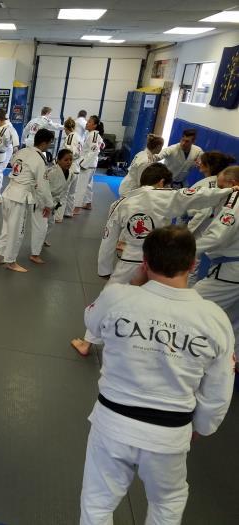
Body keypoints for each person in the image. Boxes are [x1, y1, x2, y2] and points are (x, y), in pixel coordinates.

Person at [79, 225, 234, 525]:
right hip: (170, 433)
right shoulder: (214, 318)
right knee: (167, 504)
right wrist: (203, 425)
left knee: (97, 502)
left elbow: (91, 321)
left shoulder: (117, 297)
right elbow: (218, 390)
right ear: (193, 264)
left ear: (145, 262)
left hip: (113, 424)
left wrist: (134, 286)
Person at [71, 163, 235, 357]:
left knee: (108, 299)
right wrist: (228, 191)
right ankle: (147, 346)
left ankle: (88, 343)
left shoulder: (121, 203)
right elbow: (198, 195)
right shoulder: (167, 196)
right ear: (161, 182)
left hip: (130, 261)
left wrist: (104, 269)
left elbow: (108, 239)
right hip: (159, 261)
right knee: (156, 304)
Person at [0, 129, 54, 272]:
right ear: (44, 143)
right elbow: (43, 187)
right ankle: (11, 261)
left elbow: (13, 163)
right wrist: (49, 205)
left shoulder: (22, 152)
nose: (49, 145)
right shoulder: (39, 160)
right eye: (50, 143)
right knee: (17, 230)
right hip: (19, 198)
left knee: (7, 227)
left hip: (8, 192)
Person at [193, 166, 239, 361]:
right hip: (232, 270)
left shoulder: (235, 198)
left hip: (230, 272)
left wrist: (184, 250)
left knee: (191, 306)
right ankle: (230, 361)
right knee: (232, 321)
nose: (220, 191)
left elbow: (217, 236)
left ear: (233, 184)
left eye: (222, 186)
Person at [30, 149, 71, 263]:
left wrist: (58, 204)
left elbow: (64, 191)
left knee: (51, 223)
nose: (69, 162)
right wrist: (46, 204)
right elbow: (41, 188)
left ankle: (42, 240)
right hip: (42, 202)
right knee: (41, 227)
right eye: (66, 160)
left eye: (70, 160)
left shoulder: (70, 174)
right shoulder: (51, 172)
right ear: (58, 160)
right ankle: (34, 254)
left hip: (53, 203)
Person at [186, 151, 237, 236]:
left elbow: (204, 212)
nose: (199, 164)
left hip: (199, 229)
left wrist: (187, 231)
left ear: (208, 166)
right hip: (215, 228)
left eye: (202, 162)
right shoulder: (221, 182)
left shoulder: (206, 185)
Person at [73, 115, 106, 214]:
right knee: (88, 185)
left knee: (81, 185)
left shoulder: (93, 135)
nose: (87, 123)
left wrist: (83, 163)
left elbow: (94, 150)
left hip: (87, 164)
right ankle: (88, 203)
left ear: (95, 125)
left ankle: (76, 208)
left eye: (90, 122)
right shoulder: (93, 134)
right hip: (91, 164)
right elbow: (101, 145)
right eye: (87, 121)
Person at [58, 117, 83, 221]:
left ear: (65, 128)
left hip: (69, 167)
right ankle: (68, 212)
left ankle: (58, 216)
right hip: (76, 167)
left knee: (63, 192)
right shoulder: (79, 136)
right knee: (72, 192)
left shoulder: (70, 137)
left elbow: (68, 153)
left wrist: (61, 164)